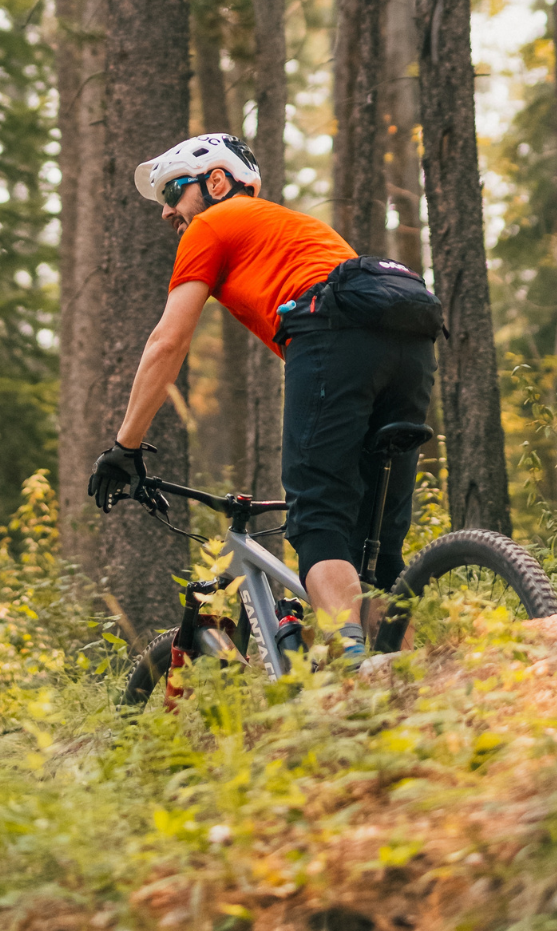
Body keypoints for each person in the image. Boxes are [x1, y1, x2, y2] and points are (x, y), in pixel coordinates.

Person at [87, 132, 440, 657]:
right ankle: (411, 677)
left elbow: (168, 340)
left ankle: (351, 666)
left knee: (319, 522)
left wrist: (125, 447)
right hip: (410, 340)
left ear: (217, 182)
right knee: (377, 552)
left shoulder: (210, 223)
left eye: (171, 193)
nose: (166, 214)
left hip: (331, 335)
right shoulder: (298, 228)